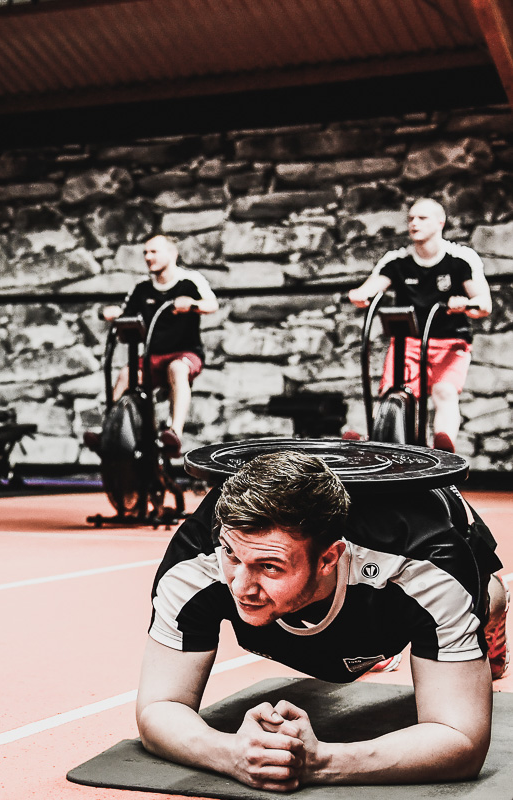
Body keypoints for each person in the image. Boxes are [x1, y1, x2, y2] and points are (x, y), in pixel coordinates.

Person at [138, 450, 508, 792]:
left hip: (435, 519)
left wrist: (321, 763)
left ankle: (472, 628)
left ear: (329, 559)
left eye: (270, 566)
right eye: (233, 557)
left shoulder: (425, 569)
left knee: (484, 597)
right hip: (354, 602)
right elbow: (157, 706)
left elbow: (462, 741)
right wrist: (228, 752)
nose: (241, 587)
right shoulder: (197, 562)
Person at [347, 198, 493, 452]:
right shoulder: (396, 261)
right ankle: (383, 447)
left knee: (445, 393)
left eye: (422, 218)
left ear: (440, 222)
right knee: (393, 396)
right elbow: (368, 289)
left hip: (449, 342)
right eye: (411, 218)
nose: (414, 223)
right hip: (409, 343)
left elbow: (484, 304)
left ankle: (443, 450)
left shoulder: (460, 259)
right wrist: (360, 295)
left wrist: (464, 303)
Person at [87, 235, 217, 457]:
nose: (148, 257)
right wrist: (114, 314)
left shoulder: (189, 281)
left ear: (172, 254)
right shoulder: (141, 289)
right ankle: (108, 429)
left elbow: (211, 304)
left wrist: (192, 305)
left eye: (154, 252)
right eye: (145, 253)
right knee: (125, 375)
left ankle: (174, 433)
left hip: (184, 354)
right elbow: (126, 317)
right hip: (151, 357)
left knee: (177, 369)